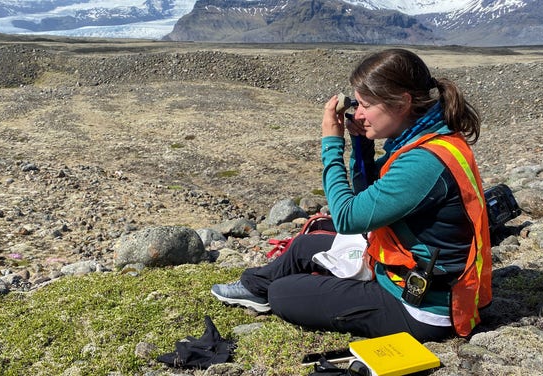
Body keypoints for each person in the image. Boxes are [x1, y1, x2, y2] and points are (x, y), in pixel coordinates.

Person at [211, 48, 492, 342]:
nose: (358, 113)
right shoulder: (430, 140)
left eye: (367, 105)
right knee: (303, 245)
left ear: (402, 102)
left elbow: (347, 217)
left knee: (282, 294)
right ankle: (254, 287)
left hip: (422, 308)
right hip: (409, 276)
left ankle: (272, 291)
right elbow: (369, 196)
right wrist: (360, 144)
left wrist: (331, 143)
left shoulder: (423, 163)